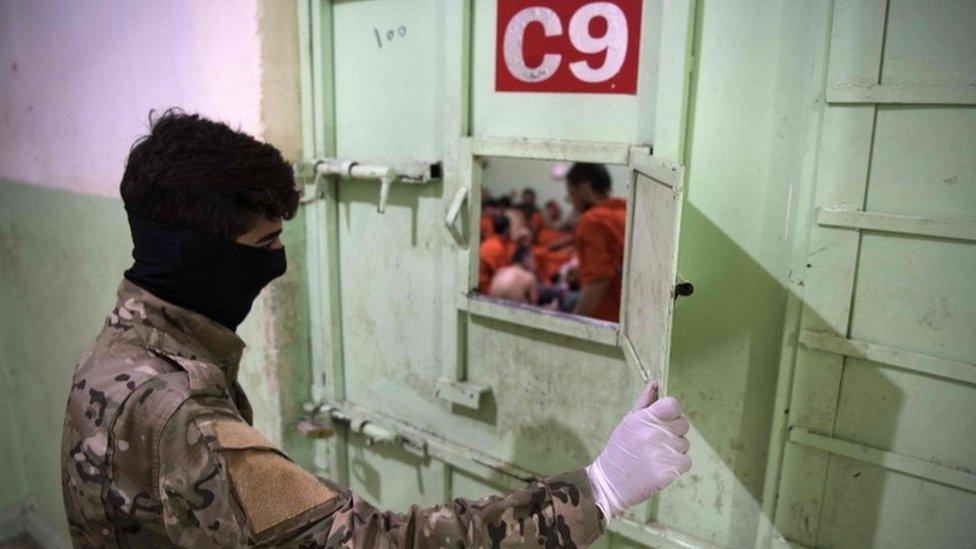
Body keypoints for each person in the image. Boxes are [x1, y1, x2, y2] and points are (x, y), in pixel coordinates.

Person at [61, 110, 691, 547]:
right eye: (265, 243)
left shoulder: (119, 354)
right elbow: (371, 544)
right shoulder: (182, 415)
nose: (274, 265)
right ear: (200, 255)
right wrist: (599, 490)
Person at [565, 162, 627, 322]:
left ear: (585, 188)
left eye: (572, 194)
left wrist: (574, 324)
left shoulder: (592, 220)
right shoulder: (626, 210)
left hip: (607, 316)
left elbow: (599, 281)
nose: (573, 203)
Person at [478, 214, 511, 293]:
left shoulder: (487, 243)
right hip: (487, 290)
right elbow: (503, 275)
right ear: (507, 230)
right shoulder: (497, 248)